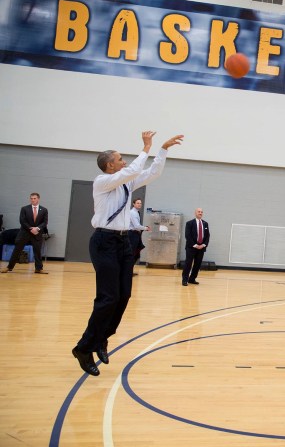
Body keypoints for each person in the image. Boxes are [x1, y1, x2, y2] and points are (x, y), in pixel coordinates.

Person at [72, 131, 183, 377]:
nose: (123, 161)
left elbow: (152, 173)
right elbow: (132, 170)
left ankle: (102, 338)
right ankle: (83, 348)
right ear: (110, 165)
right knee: (107, 297)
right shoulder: (101, 181)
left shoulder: (125, 182)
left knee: (124, 295)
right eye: (120, 159)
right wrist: (146, 147)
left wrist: (162, 150)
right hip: (104, 241)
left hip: (123, 243)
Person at [1, 193, 49, 274]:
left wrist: (37, 228)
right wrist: (31, 229)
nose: (32, 200)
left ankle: (39, 269)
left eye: (34, 198)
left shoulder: (44, 210)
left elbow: (45, 222)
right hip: (24, 233)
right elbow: (22, 221)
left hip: (37, 234)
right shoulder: (24, 209)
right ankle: (9, 267)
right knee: (17, 250)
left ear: (38, 199)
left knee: (37, 251)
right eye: (31, 198)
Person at [182, 208, 209, 286]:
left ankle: (192, 279)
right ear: (195, 213)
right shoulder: (189, 223)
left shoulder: (205, 224)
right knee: (188, 264)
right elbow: (188, 236)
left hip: (201, 248)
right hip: (191, 247)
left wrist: (203, 245)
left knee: (197, 264)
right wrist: (195, 245)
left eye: (201, 212)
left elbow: (207, 236)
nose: (200, 213)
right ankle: (185, 280)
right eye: (199, 212)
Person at [128, 198, 150, 276]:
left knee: (136, 253)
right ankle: (128, 272)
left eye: (140, 203)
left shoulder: (137, 212)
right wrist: (145, 228)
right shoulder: (132, 213)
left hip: (136, 234)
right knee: (132, 253)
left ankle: (129, 271)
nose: (139, 204)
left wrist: (144, 228)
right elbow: (136, 226)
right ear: (133, 204)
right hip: (132, 234)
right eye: (137, 203)